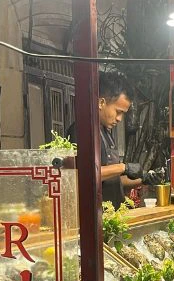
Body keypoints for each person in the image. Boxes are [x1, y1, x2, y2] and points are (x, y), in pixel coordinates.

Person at [66, 72, 157, 208]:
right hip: (96, 218)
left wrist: (144, 178)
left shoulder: (106, 132)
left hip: (114, 216)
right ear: (101, 102)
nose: (119, 119)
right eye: (118, 111)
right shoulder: (83, 130)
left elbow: (113, 180)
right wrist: (124, 167)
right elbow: (84, 175)